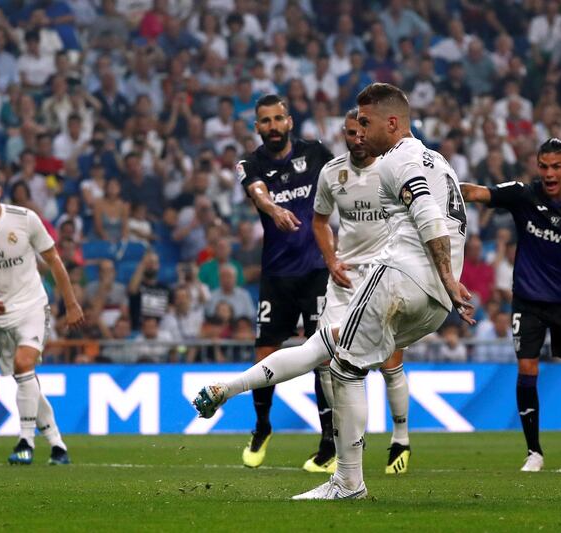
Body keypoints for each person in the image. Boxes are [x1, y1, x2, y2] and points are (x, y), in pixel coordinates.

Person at [194, 83, 473, 500]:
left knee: (342, 368)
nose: (361, 131)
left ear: (391, 122)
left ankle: (347, 481)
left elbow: (427, 214)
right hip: (432, 301)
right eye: (356, 124)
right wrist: (447, 283)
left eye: (367, 122)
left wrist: (448, 275)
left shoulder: (395, 160)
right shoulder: (439, 162)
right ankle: (226, 390)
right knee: (323, 347)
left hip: (400, 277)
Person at [460, 138, 561, 473]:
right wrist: (434, 180)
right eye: (544, 166)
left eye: (556, 167)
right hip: (529, 301)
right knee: (527, 369)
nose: (549, 174)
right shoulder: (524, 194)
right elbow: (475, 192)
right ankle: (534, 452)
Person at [0, 164, 84, 465]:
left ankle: (25, 441)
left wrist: (72, 303)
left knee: (24, 365)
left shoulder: (25, 220)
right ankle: (57, 444)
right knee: (26, 380)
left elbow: (54, 261)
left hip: (31, 306)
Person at [234, 93, 334, 471]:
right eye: (265, 121)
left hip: (316, 271)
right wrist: (274, 208)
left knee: (323, 356)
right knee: (264, 355)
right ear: (257, 126)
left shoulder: (317, 153)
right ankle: (262, 426)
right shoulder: (251, 164)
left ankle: (328, 440)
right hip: (276, 275)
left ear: (289, 121)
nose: (273, 127)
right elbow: (257, 191)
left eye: (278, 119)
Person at [311, 108, 411, 475]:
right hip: (345, 277)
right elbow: (320, 221)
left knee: (389, 361)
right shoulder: (331, 173)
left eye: (361, 132)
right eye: (350, 133)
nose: (356, 139)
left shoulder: (393, 168)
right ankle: (345, 442)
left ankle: (400, 437)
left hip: (385, 274)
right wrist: (331, 259)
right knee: (325, 358)